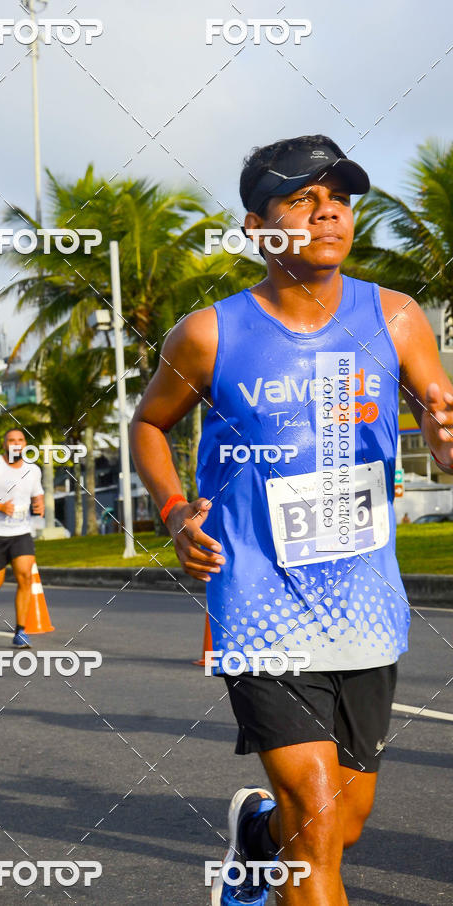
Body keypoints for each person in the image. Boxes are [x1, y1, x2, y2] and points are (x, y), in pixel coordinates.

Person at [129, 134, 453, 906]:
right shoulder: (208, 333)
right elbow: (148, 425)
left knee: (346, 822)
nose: (328, 213)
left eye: (339, 198)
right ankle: (284, 840)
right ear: (257, 226)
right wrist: (175, 512)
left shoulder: (399, 318)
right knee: (318, 820)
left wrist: (444, 442)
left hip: (365, 602)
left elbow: (447, 444)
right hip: (256, 597)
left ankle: (256, 839)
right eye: (302, 199)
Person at [0, 428, 45, 649]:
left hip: (21, 532)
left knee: (25, 576)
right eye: (11, 440)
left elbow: (37, 492)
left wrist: (40, 503)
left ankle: (20, 631)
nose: (16, 443)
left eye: (20, 440)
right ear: (4, 444)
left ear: (25, 444)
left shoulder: (33, 470)